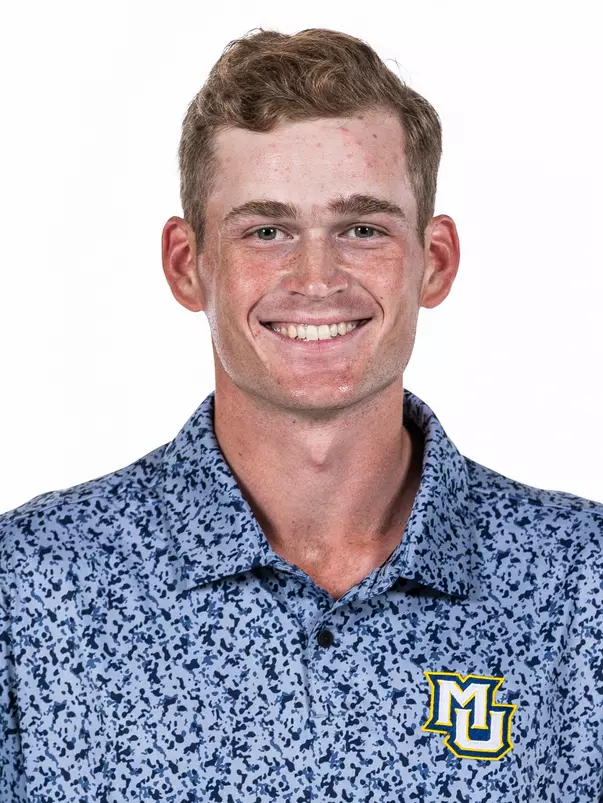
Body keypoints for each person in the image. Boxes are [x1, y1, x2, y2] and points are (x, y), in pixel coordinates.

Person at [1, 26, 602, 803]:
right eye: (267, 230)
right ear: (188, 264)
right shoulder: (28, 588)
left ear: (435, 261)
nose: (316, 278)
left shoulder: (583, 586)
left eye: (361, 229)